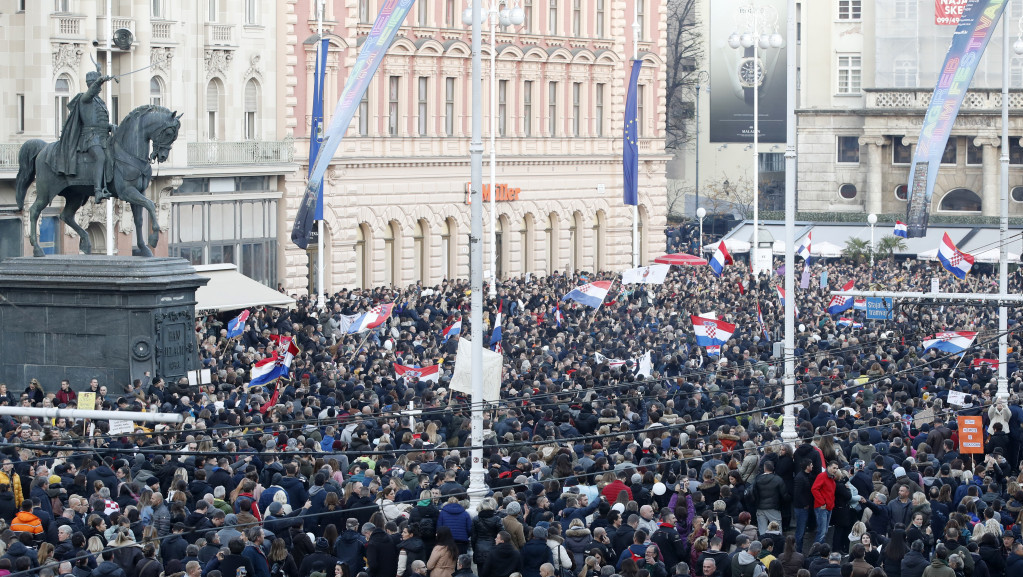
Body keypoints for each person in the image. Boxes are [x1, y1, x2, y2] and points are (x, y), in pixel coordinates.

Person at [52, 67, 116, 203]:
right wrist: (101, 80)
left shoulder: (100, 102)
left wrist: (111, 127)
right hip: (90, 138)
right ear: (92, 84)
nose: (99, 89)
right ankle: (98, 190)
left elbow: (100, 121)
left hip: (103, 137)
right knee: (100, 157)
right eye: (96, 85)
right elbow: (90, 94)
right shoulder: (85, 99)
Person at [811, 462, 839, 546]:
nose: (836, 470)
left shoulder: (831, 478)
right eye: (834, 468)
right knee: (822, 531)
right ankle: (816, 552)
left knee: (824, 531)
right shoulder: (822, 476)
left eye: (837, 468)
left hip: (828, 507)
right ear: (828, 467)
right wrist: (822, 502)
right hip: (822, 507)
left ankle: (819, 551)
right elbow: (814, 489)